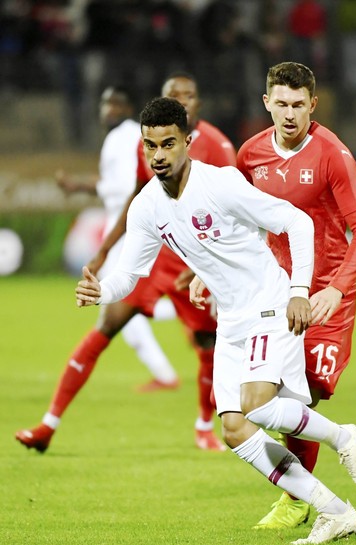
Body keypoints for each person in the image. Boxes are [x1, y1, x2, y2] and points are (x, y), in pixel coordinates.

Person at [75, 96, 356, 545]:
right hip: (233, 318)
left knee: (257, 405)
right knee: (236, 430)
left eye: (168, 144)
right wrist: (102, 289)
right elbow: (130, 273)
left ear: (188, 142)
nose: (158, 156)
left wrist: (299, 291)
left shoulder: (220, 184)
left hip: (269, 302)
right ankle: (334, 511)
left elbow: (296, 222)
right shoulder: (146, 207)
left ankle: (343, 436)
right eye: (150, 146)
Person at [15, 73, 234, 454]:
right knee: (105, 328)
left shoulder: (217, 147)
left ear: (199, 102)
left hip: (194, 263)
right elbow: (137, 195)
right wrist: (103, 252)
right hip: (153, 258)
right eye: (173, 96)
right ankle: (48, 425)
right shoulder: (147, 144)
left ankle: (203, 427)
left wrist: (206, 265)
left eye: (189, 96)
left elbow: (234, 213)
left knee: (207, 343)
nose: (182, 102)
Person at [237, 61, 356, 530]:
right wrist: (210, 272)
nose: (290, 113)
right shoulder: (250, 155)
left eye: (299, 104)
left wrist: (337, 289)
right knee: (274, 398)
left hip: (324, 297)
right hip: (275, 296)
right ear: (267, 104)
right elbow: (240, 220)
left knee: (308, 393)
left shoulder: (332, 154)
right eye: (281, 103)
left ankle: (304, 493)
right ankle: (300, 497)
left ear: (313, 105)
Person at [55, 85, 181, 392]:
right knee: (119, 303)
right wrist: (78, 187)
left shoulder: (119, 138)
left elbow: (127, 187)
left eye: (113, 105)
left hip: (126, 223)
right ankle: (164, 372)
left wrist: (83, 191)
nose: (106, 111)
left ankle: (180, 316)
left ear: (126, 109)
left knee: (117, 302)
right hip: (131, 221)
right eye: (104, 105)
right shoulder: (130, 136)